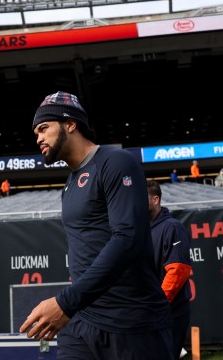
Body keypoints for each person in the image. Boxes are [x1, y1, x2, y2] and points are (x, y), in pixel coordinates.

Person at [20, 91, 175, 360]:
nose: (38, 138)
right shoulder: (70, 184)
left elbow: (127, 238)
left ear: (71, 124)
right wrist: (74, 304)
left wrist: (65, 302)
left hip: (130, 324)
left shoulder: (116, 162)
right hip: (82, 321)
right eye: (36, 132)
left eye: (44, 128)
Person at [147, 180, 192, 360]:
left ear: (155, 199)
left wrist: (157, 304)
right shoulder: (140, 229)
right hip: (148, 311)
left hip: (169, 312)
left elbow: (178, 271)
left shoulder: (171, 227)